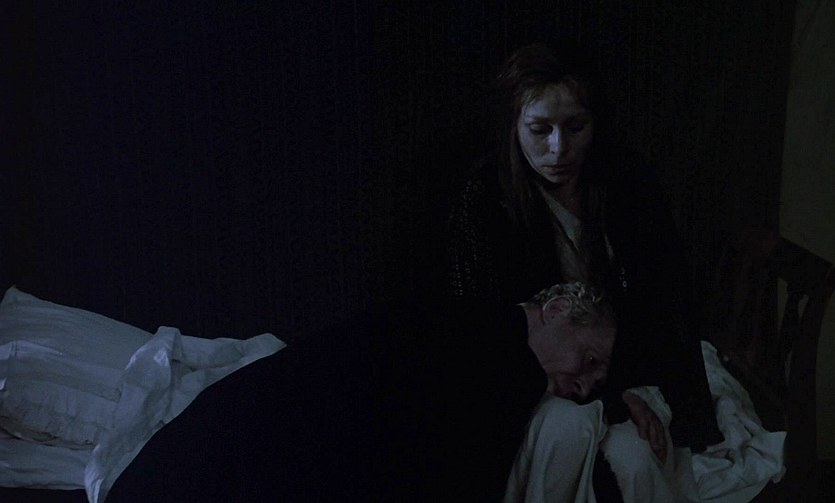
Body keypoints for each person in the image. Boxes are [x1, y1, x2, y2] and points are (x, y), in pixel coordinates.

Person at [443, 41, 722, 499]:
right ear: (514, 125)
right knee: (569, 432)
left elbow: (665, 303)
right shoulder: (486, 199)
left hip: (630, 365)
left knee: (637, 457)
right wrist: (598, 395)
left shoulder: (630, 184)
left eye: (575, 127)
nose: (558, 149)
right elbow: (482, 332)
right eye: (540, 129)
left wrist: (625, 390)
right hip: (540, 383)